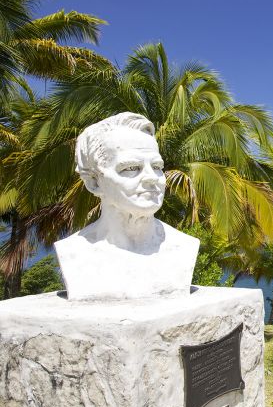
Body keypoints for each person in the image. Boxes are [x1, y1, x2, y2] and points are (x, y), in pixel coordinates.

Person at [54, 113, 199, 300]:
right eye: (131, 168)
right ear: (94, 182)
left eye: (156, 167)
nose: (151, 178)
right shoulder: (73, 254)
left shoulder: (184, 247)